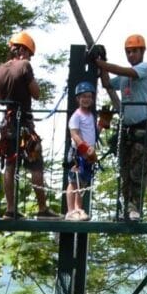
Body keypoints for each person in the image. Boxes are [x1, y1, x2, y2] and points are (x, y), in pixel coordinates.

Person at [0, 31, 60, 220]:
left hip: (7, 124)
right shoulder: (24, 65)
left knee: (10, 165)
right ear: (23, 50)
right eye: (29, 53)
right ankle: (42, 209)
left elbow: (0, 99)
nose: (30, 57)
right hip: (23, 123)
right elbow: (36, 93)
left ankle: (10, 209)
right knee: (35, 165)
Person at [96, 34, 147, 221]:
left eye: (134, 51)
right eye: (128, 52)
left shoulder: (145, 69)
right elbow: (107, 83)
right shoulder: (123, 78)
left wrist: (100, 63)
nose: (131, 55)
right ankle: (126, 209)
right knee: (125, 172)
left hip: (141, 128)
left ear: (142, 51)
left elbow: (127, 72)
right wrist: (102, 63)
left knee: (138, 172)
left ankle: (135, 208)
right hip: (126, 129)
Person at [65, 81, 98, 221]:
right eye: (83, 96)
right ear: (78, 98)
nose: (86, 99)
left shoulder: (90, 115)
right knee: (74, 181)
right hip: (77, 153)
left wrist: (101, 125)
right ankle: (71, 210)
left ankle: (78, 208)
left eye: (89, 96)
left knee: (82, 182)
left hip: (87, 154)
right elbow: (74, 134)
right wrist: (85, 148)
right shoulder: (76, 116)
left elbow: (93, 133)